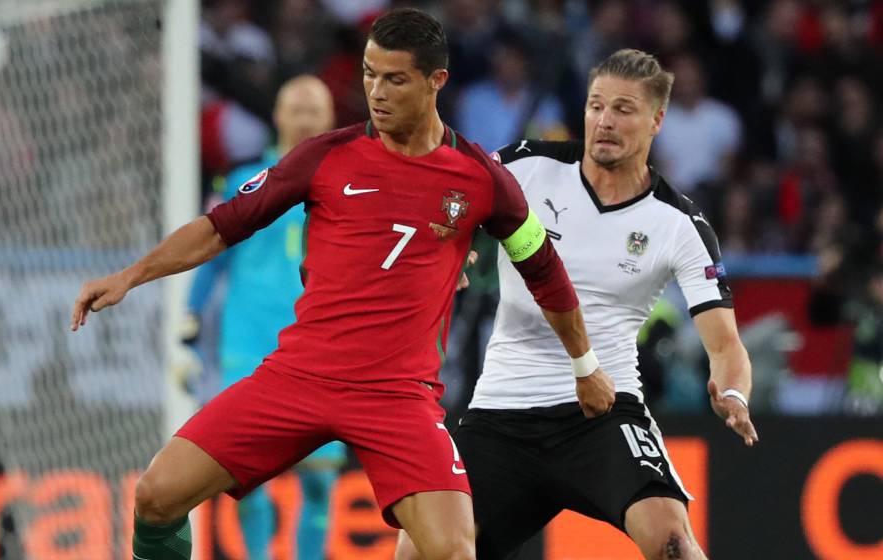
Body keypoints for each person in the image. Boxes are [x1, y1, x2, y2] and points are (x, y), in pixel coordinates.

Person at [71, 9, 615, 560]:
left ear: (436, 81)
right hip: (299, 376)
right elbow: (220, 228)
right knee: (155, 497)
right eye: (369, 74)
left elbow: (543, 268)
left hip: (398, 396)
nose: (376, 92)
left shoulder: (481, 178)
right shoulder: (325, 156)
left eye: (395, 79)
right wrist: (131, 276)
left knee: (453, 551)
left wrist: (585, 366)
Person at [396, 49, 759, 560]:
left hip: (604, 410)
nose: (604, 121)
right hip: (503, 410)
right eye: (596, 106)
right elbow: (446, 195)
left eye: (624, 109)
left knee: (672, 542)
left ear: (657, 120)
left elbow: (725, 345)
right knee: (418, 552)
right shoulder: (525, 166)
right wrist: (447, 244)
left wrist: (734, 394)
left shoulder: (679, 223)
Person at [183, 75, 343, 560]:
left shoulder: (350, 184)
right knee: (244, 476)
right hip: (249, 344)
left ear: (330, 118)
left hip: (321, 349)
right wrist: (190, 317)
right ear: (276, 116)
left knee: (319, 481)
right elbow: (212, 251)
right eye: (296, 108)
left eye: (313, 109)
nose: (304, 118)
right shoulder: (244, 181)